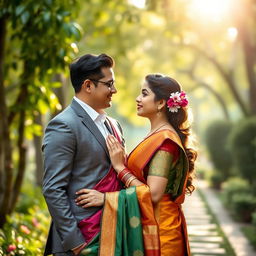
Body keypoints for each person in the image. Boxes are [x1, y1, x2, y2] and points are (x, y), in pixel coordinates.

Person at [102, 74, 197, 256]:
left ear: (161, 103)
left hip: (162, 233)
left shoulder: (166, 142)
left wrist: (120, 169)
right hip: (151, 224)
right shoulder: (157, 136)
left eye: (144, 94)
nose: (138, 99)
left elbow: (153, 194)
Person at [42, 53, 124, 256]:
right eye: (109, 83)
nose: (114, 90)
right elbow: (53, 189)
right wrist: (76, 243)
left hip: (113, 235)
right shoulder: (64, 125)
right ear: (88, 85)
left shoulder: (114, 125)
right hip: (81, 242)